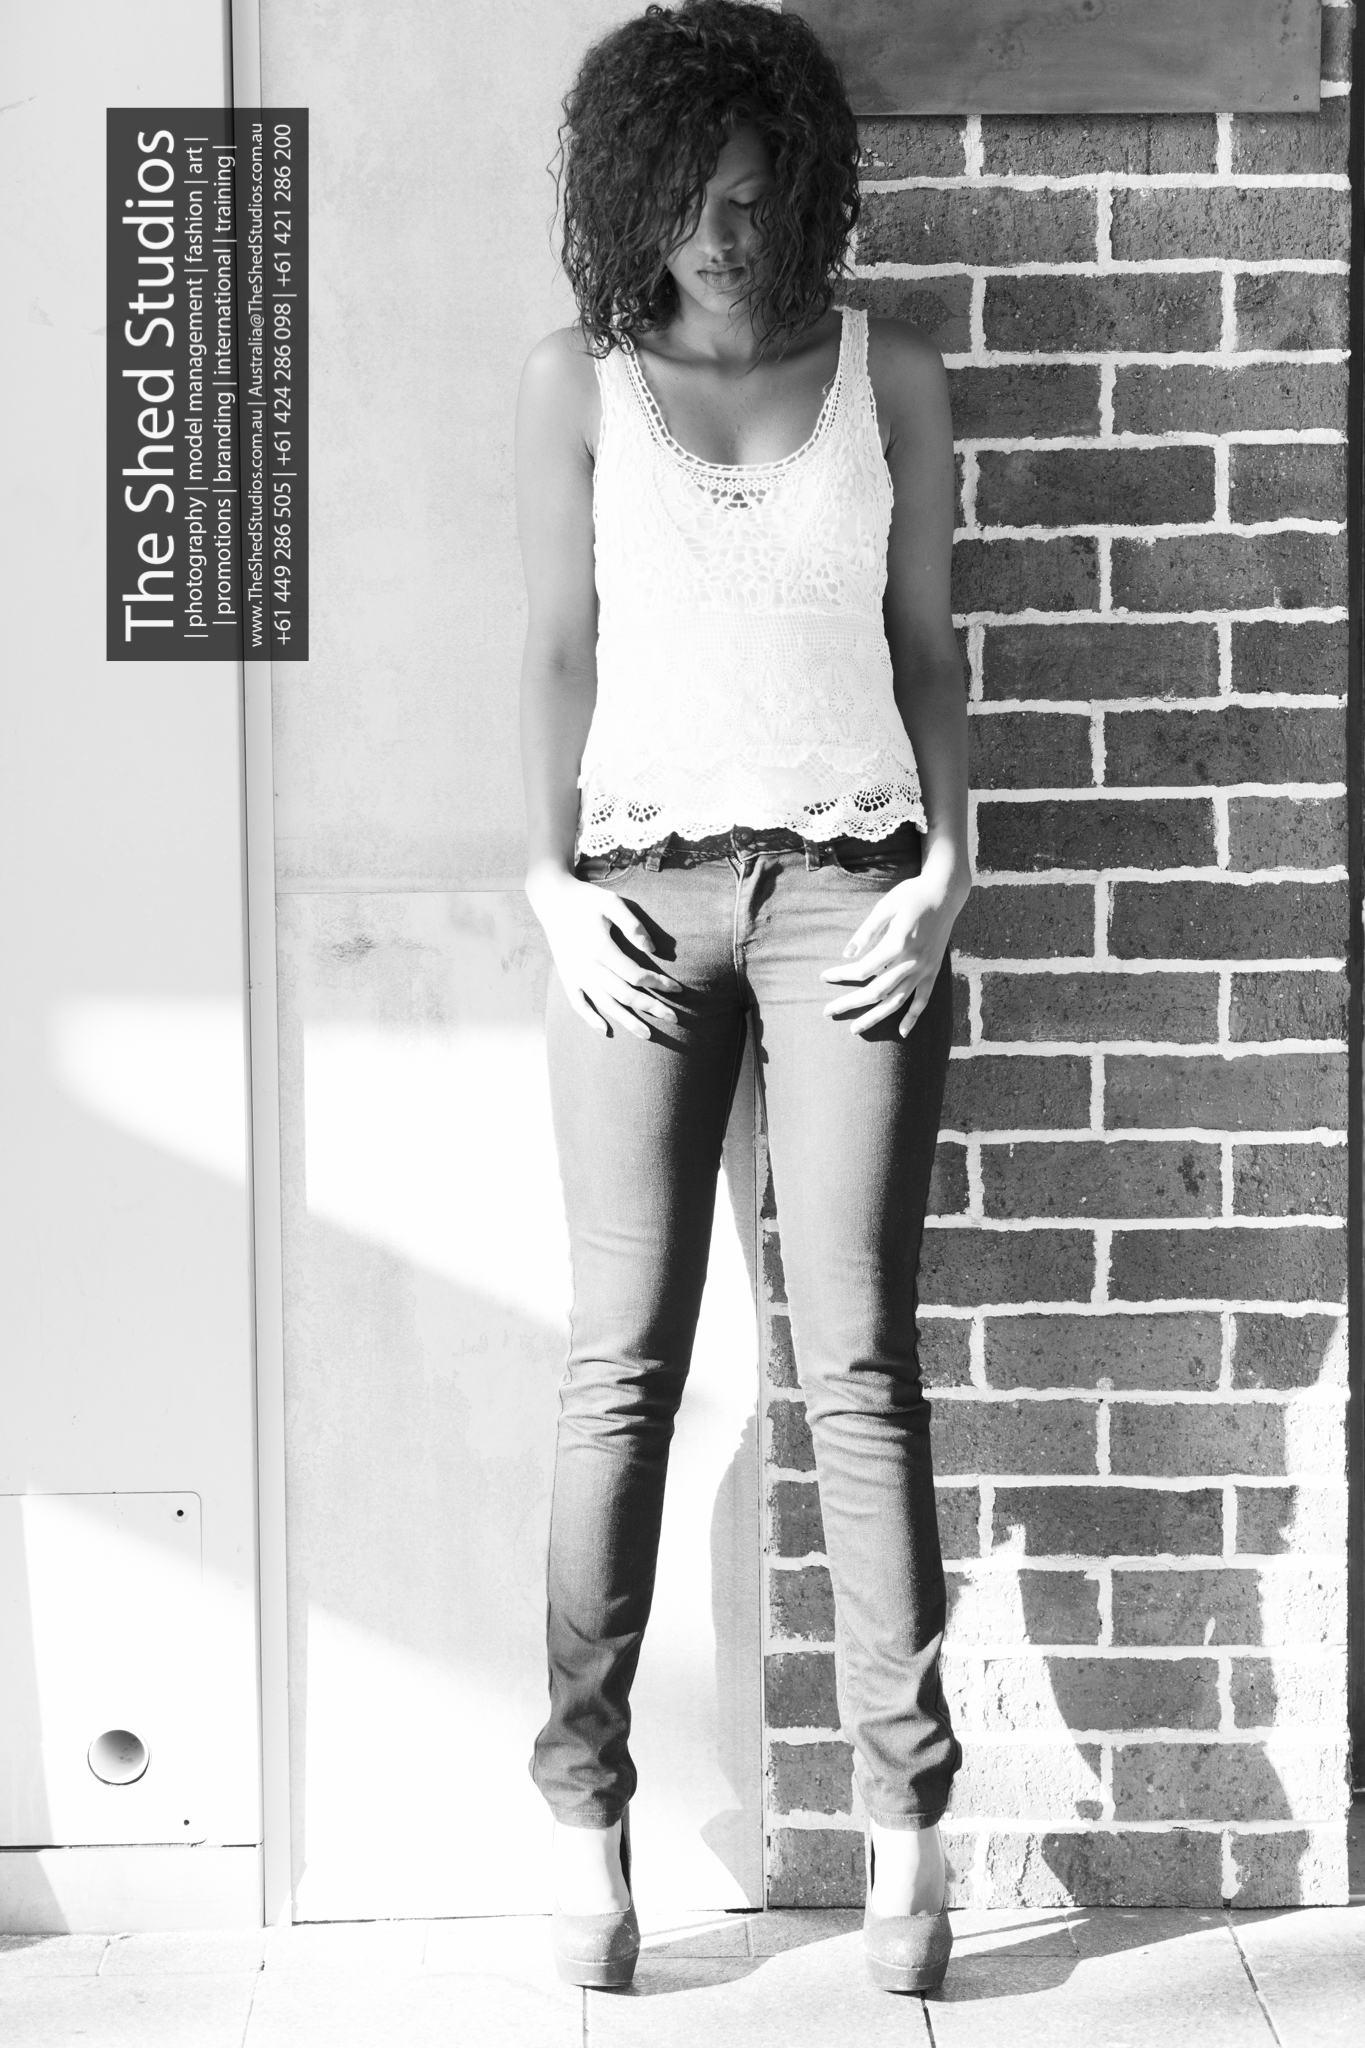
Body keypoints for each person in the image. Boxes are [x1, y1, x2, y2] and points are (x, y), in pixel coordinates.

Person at [516, 0, 970, 1995]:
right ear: (630, 196)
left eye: (755, 190)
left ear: (805, 189)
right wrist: (543, 880)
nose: (723, 229)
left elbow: (927, 642)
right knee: (622, 1359)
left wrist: (946, 866)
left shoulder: (891, 375)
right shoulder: (575, 384)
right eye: (688, 196)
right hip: (634, 903)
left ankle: (906, 1831)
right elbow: (554, 648)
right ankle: (584, 1818)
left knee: (854, 1364)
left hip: (851, 898)